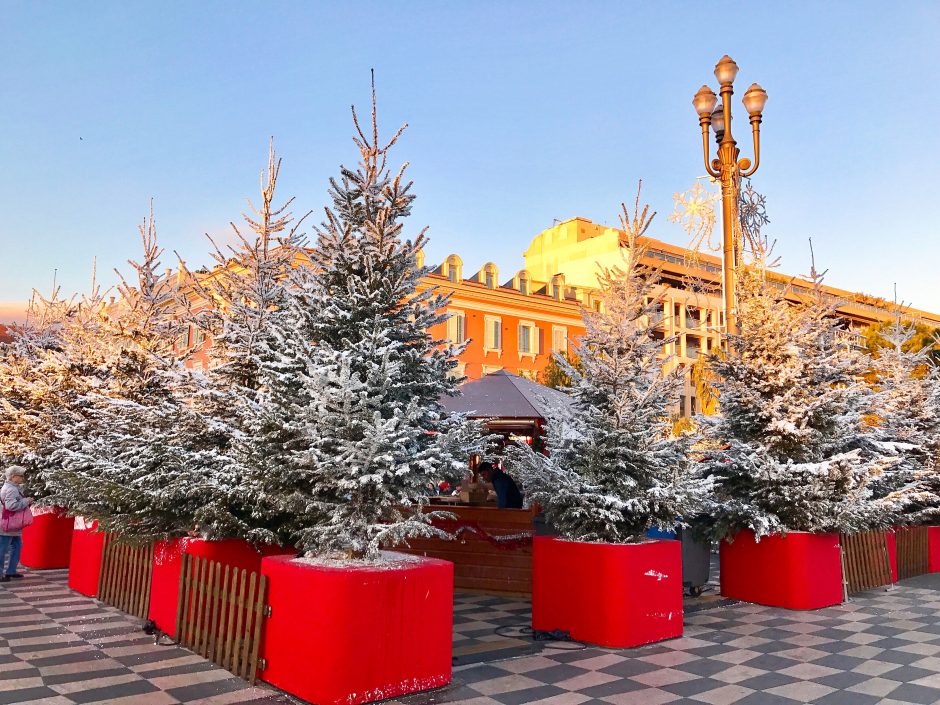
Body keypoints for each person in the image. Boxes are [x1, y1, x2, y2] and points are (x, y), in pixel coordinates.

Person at [0, 466, 32, 582]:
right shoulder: (11, 489)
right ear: (13, 477)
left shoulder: (12, 487)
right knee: (2, 549)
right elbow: (11, 506)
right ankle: (4, 573)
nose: (22, 478)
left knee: (17, 546)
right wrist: (26, 501)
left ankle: (11, 571)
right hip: (8, 524)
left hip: (12, 524)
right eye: (21, 476)